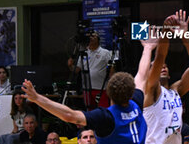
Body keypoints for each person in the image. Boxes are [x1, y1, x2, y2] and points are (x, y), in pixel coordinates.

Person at [22, 34, 159, 144]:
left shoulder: (106, 117)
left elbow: (69, 115)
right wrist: (148, 48)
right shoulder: (136, 102)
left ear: (109, 92)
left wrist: (37, 98)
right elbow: (142, 75)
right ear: (131, 92)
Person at [143, 10, 189, 144]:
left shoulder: (176, 90)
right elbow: (160, 57)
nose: (162, 67)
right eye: (158, 67)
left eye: (165, 66)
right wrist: (165, 32)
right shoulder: (151, 90)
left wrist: (184, 36)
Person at [67, 31, 112, 109]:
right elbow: (77, 70)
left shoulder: (105, 53)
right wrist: (70, 65)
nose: (91, 38)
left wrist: (111, 86)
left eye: (93, 36)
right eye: (89, 36)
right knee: (90, 111)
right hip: (87, 89)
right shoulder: (84, 53)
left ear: (98, 39)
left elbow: (111, 69)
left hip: (102, 89)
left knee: (104, 110)